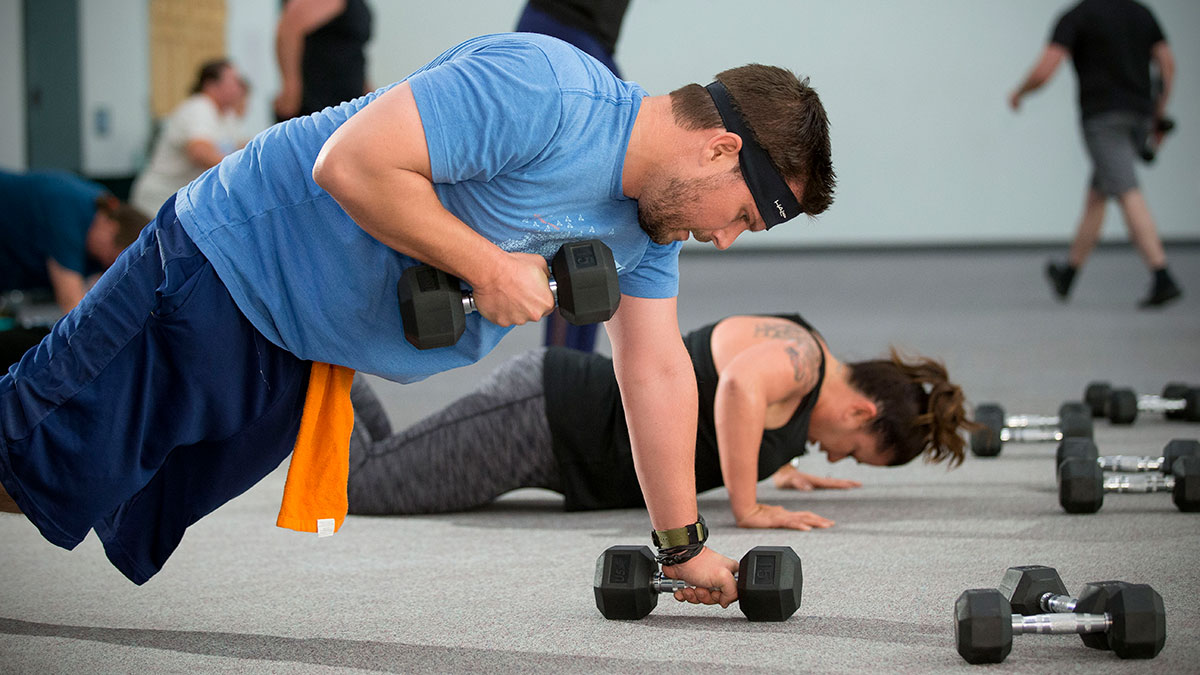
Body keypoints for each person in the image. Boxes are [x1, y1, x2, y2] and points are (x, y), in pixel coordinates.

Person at [0, 33, 835, 607]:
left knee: (91, 488)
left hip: (298, 354)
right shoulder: (546, 89)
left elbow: (653, 372)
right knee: (29, 454)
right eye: (744, 217)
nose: (724, 239)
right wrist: (487, 265)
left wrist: (682, 545)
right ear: (721, 149)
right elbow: (350, 163)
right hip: (221, 266)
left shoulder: (646, 236)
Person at [346, 313, 972, 529]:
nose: (837, 458)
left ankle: (331, 367)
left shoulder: (803, 386)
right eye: (855, 451)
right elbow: (736, 390)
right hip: (545, 418)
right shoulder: (801, 357)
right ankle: (311, 350)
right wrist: (747, 506)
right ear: (863, 411)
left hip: (558, 438)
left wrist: (781, 470)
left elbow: (740, 414)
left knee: (384, 462)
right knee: (360, 486)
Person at [1008, 0, 1180, 308]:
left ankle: (1161, 273)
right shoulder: (1141, 12)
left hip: (1104, 119)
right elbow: (1167, 63)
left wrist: (1020, 92)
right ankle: (1069, 273)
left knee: (1127, 191)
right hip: (1140, 113)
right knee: (1098, 194)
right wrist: (1159, 112)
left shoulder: (1078, 16)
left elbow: (1048, 67)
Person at [515, 0, 632, 352]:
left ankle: (570, 369)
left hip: (585, 35)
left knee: (602, 206)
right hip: (562, 26)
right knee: (589, 205)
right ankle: (564, 373)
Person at [0, 169, 148, 313]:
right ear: (111, 227)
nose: (104, 264)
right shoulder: (67, 213)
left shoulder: (99, 207)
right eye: (109, 257)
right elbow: (72, 304)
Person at [129, 59, 249, 215]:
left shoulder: (227, 115)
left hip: (182, 199)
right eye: (233, 81)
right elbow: (199, 152)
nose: (238, 88)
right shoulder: (199, 107)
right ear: (211, 85)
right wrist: (240, 174)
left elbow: (239, 146)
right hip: (160, 197)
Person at [273, 0, 373, 120]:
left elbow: (350, 52)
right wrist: (291, 87)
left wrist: (368, 94)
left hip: (345, 101)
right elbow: (289, 29)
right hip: (317, 104)